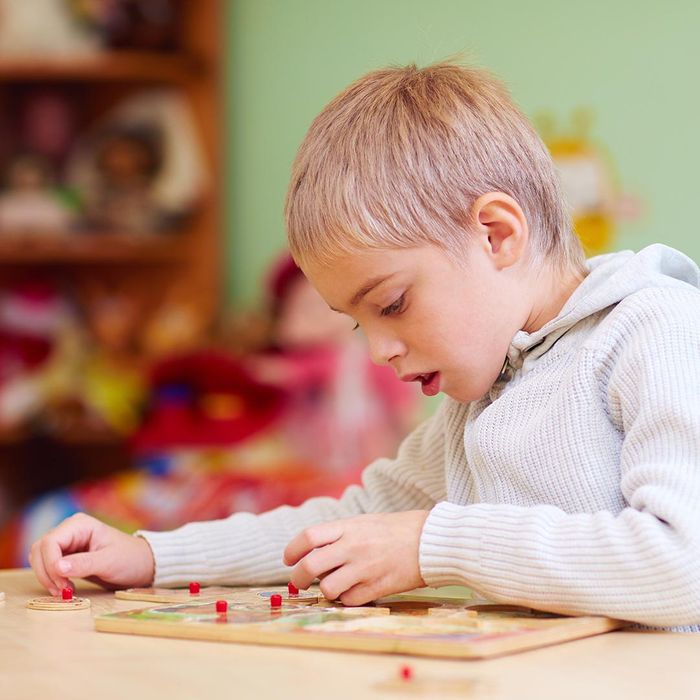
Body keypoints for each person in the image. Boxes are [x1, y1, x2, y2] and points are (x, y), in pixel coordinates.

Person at [28, 62, 700, 631]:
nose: (379, 351)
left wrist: (437, 544)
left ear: (497, 235)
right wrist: (154, 557)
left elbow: (683, 563)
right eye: (358, 323)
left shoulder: (656, 330)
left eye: (392, 304)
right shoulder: (489, 390)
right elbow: (349, 522)